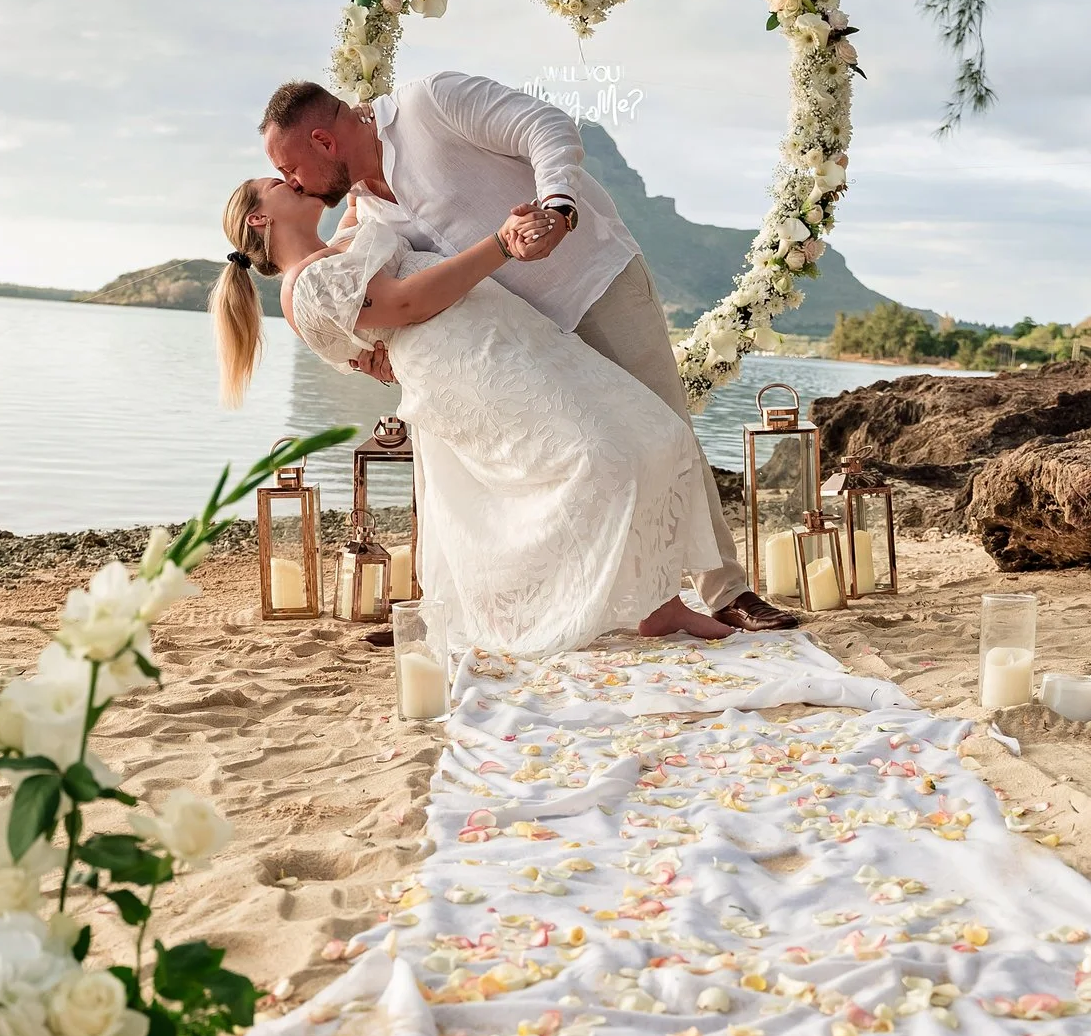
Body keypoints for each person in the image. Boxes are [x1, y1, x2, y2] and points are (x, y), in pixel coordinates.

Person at [257, 73, 797, 633]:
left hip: (591, 284)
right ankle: (454, 607)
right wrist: (357, 355)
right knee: (481, 467)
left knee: (663, 424)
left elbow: (546, 126)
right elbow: (342, 292)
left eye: (290, 168)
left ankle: (727, 591)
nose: (289, 181)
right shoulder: (362, 210)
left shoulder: (430, 104)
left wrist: (560, 209)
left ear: (324, 141)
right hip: (517, 345)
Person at [213, 177, 730, 657]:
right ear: (259, 219)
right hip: (468, 366)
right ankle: (534, 608)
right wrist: (500, 245)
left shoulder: (338, 247)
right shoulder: (306, 286)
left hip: (508, 332)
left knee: (658, 433)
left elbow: (359, 203)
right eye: (279, 182)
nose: (295, 181)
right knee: (593, 457)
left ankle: (662, 603)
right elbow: (406, 303)